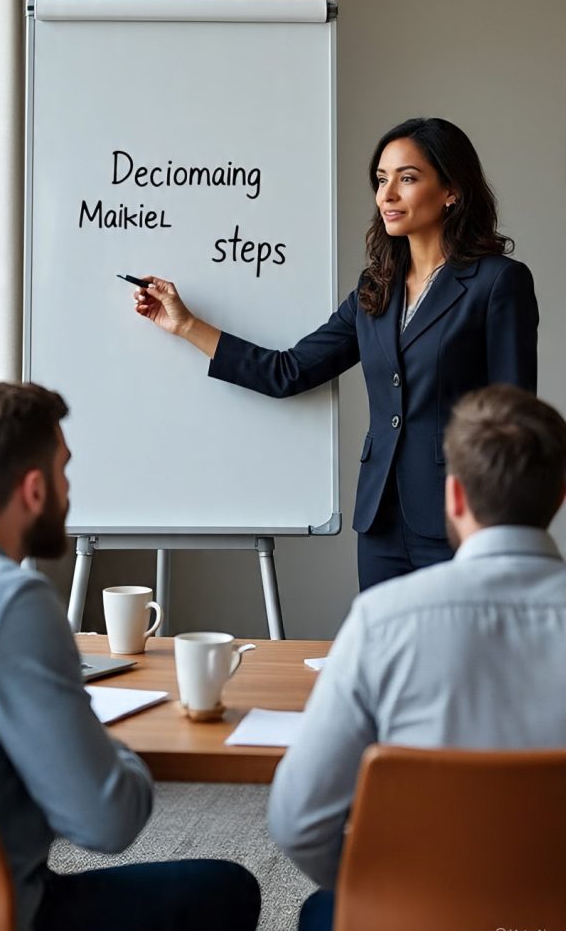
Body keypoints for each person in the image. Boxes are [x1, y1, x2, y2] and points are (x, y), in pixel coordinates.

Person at [132, 117, 538, 590]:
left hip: (461, 521)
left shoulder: (497, 283)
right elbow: (288, 371)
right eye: (381, 179)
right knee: (385, 661)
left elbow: (514, 421)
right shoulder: (376, 290)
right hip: (380, 525)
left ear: (452, 190)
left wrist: (500, 527)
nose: (386, 195)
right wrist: (185, 325)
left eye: (407, 178)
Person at [266, 383, 566, 931]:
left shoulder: (383, 620)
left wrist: (392, 890)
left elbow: (296, 822)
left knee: (319, 916)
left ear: (454, 496)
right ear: (560, 495)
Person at [0, 382, 260, 931]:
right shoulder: (14, 602)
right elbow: (106, 821)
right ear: (34, 489)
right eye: (64, 471)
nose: (69, 489)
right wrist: (115, 750)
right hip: (9, 927)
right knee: (227, 891)